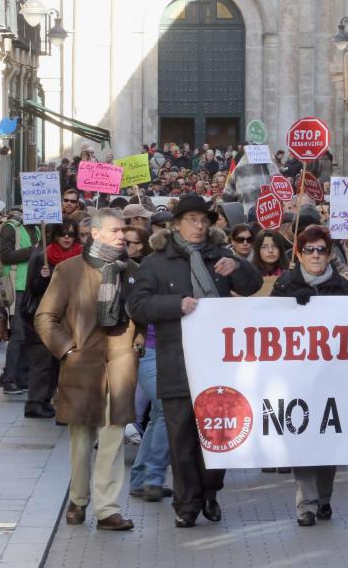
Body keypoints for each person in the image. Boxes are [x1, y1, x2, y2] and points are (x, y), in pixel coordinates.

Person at [126, 195, 262, 528]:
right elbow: (138, 306)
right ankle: (187, 504)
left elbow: (252, 286)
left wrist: (240, 266)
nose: (199, 226)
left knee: (217, 436)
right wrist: (176, 304)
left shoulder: (221, 256)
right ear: (176, 224)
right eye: (191, 220)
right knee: (181, 436)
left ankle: (210, 492)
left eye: (203, 220)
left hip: (219, 363)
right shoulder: (156, 263)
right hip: (176, 361)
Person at [36, 208, 140, 531]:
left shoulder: (132, 270)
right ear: (95, 234)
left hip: (120, 367)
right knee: (81, 440)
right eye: (114, 230)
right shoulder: (69, 270)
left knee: (113, 439)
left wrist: (138, 339)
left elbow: (143, 310)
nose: (122, 235)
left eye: (123, 230)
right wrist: (67, 349)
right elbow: (45, 317)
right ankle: (78, 499)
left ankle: (107, 508)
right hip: (82, 367)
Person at [271, 225, 348, 526]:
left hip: (334, 377)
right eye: (310, 250)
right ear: (299, 254)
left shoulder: (344, 288)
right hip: (299, 379)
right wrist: (291, 307)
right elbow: (267, 326)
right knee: (304, 441)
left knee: (328, 441)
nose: (316, 255)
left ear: (330, 253)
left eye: (322, 250)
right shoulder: (285, 285)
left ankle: (324, 497)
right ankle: (306, 505)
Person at [21, 221, 81, 419]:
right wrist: (43, 276)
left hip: (65, 318)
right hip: (43, 316)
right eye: (63, 234)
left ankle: (46, 400)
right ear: (55, 236)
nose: (67, 238)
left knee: (56, 362)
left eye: (71, 235)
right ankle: (35, 402)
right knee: (42, 361)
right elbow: (33, 288)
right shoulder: (43, 257)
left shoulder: (80, 258)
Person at [0, 207, 41, 393]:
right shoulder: (11, 227)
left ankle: (23, 378)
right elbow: (5, 256)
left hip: (33, 286)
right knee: (18, 334)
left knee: (29, 335)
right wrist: (34, 250)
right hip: (17, 287)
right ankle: (10, 379)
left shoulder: (38, 230)